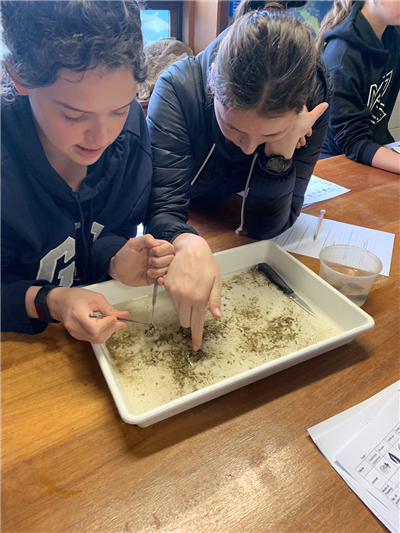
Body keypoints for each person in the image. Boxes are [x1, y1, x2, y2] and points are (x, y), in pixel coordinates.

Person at [144, 0, 332, 351]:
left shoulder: (312, 100)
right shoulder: (176, 90)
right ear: (213, 79)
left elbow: (269, 228)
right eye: (233, 127)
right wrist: (185, 239)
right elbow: (162, 211)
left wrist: (281, 154)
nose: (248, 149)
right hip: (199, 216)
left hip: (237, 226)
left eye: (268, 135)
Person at [0, 0, 174, 343]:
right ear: (19, 77)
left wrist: (113, 259)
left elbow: (106, 230)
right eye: (73, 115)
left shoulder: (130, 133)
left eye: (119, 110)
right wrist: (52, 301)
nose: (103, 137)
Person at [316, 0, 400, 174]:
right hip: (338, 166)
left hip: (374, 153)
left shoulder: (392, 34)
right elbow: (353, 142)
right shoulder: (342, 58)